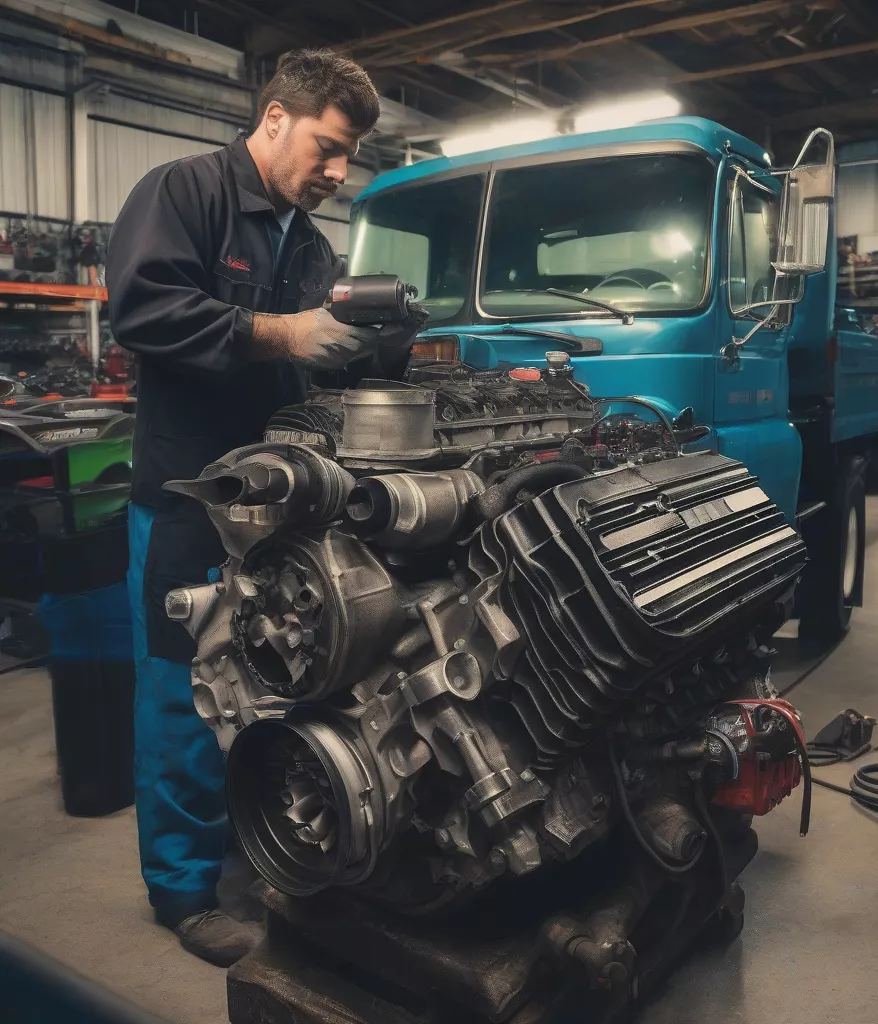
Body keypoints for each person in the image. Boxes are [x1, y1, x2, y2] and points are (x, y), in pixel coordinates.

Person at [107, 50, 408, 967]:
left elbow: (321, 359)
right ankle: (183, 891)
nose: (338, 172)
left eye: (349, 156)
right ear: (276, 118)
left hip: (279, 504)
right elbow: (144, 309)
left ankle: (258, 837)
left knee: (275, 680)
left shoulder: (310, 246)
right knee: (181, 691)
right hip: (189, 498)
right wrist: (285, 332)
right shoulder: (185, 193)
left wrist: (385, 344)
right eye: (327, 147)